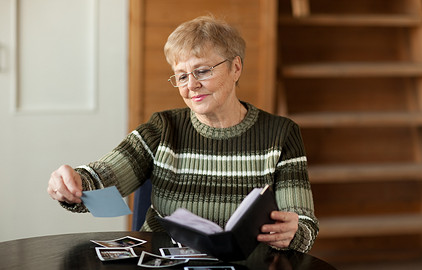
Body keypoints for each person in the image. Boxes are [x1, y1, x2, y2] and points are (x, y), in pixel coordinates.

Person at [47, 15, 318, 253]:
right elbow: (105, 176)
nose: (192, 85)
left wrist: (293, 232)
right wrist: (75, 183)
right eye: (181, 76)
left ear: (236, 68)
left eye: (202, 71)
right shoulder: (163, 128)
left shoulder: (281, 134)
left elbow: (303, 223)